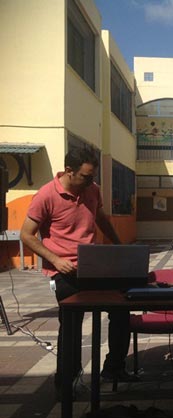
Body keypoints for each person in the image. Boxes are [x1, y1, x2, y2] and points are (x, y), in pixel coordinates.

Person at [20, 147, 138, 399]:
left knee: (122, 308)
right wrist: (55, 260)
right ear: (69, 171)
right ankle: (66, 381)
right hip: (65, 272)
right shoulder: (46, 195)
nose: (90, 181)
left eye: (92, 176)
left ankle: (114, 368)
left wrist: (120, 247)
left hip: (93, 267)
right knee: (71, 325)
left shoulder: (92, 190)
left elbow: (101, 218)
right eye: (85, 176)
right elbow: (26, 235)